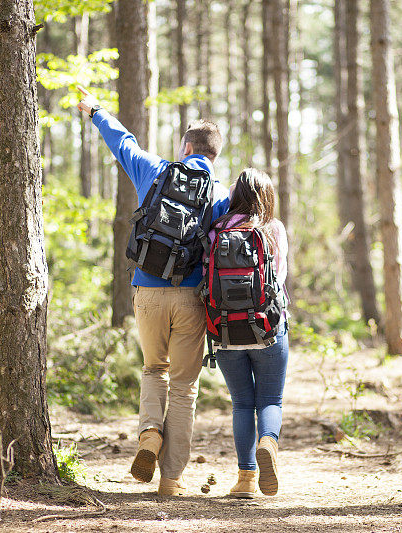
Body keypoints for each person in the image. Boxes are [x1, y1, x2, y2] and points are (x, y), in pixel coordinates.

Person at [77, 87, 230, 496]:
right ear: (214, 155)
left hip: (147, 291)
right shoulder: (220, 194)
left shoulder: (157, 171)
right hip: (191, 297)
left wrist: (96, 111)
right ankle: (171, 479)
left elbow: (123, 143)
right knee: (183, 386)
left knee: (152, 369)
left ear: (185, 146)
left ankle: (148, 436)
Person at [207, 168, 290, 498]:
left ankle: (245, 480)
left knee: (242, 404)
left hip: (225, 330)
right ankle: (268, 442)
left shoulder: (215, 231)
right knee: (269, 399)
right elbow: (279, 277)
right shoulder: (273, 229)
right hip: (269, 326)